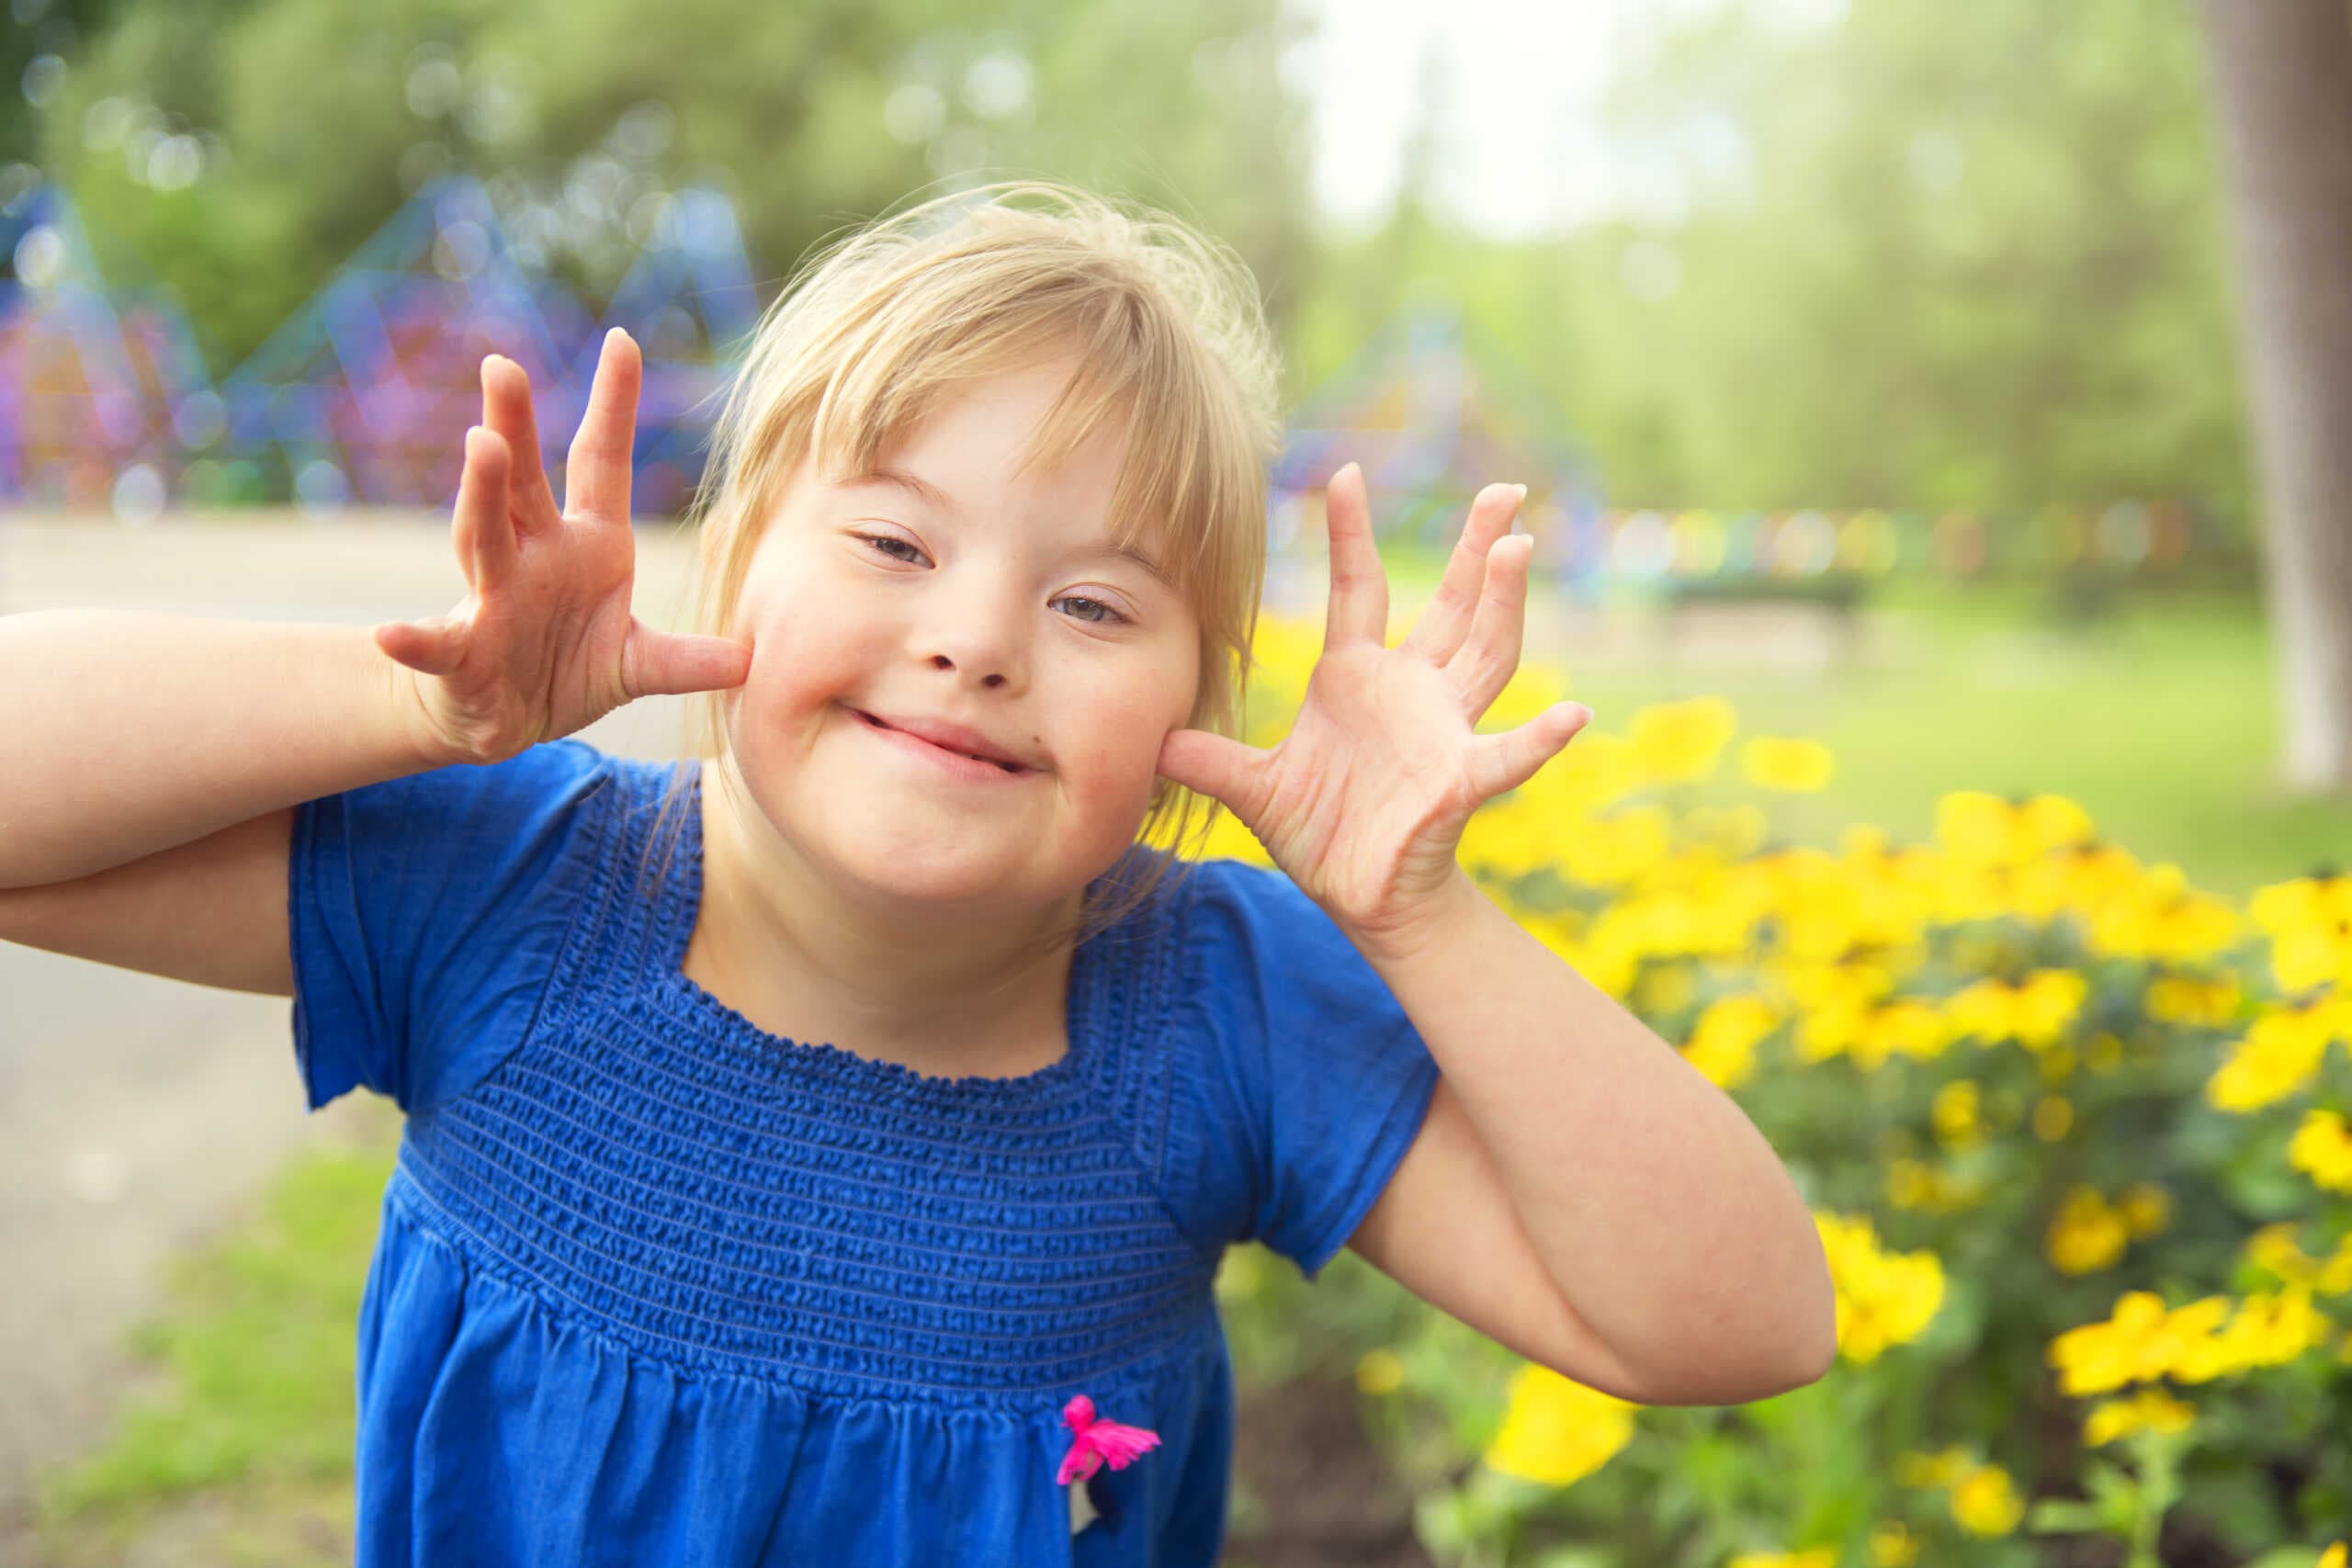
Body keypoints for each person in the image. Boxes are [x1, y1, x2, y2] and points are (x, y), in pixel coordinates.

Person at [0, 178, 1836, 1565]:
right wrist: (418, 706)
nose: (975, 640)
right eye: (893, 540)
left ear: (1195, 702)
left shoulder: (1217, 1012)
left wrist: (1415, 915)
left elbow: (1741, 1319)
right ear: (732, 560)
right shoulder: (514, 886)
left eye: (1094, 603)